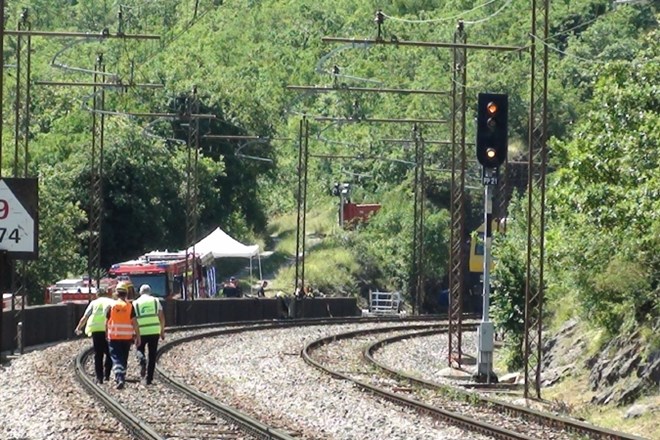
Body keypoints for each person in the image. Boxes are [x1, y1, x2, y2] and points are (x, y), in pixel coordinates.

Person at [74, 287, 115, 384]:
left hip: (96, 329)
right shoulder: (112, 302)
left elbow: (85, 317)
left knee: (98, 353)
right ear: (106, 294)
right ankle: (107, 374)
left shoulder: (94, 303)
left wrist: (78, 328)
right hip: (108, 329)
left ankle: (99, 377)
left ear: (97, 295)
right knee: (110, 352)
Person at [106, 281, 140, 389]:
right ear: (126, 294)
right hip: (127, 337)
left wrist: (106, 333)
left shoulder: (111, 306)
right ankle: (122, 376)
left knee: (116, 357)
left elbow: (106, 321)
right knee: (124, 357)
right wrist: (138, 336)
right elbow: (135, 322)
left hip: (114, 336)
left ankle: (119, 376)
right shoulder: (130, 306)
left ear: (116, 293)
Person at [133, 284, 165, 385]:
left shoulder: (135, 303)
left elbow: (133, 320)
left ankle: (142, 359)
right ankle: (149, 379)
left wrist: (134, 333)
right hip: (154, 330)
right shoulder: (156, 301)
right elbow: (161, 317)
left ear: (140, 292)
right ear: (150, 292)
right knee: (152, 355)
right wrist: (162, 330)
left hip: (141, 331)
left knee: (139, 349)